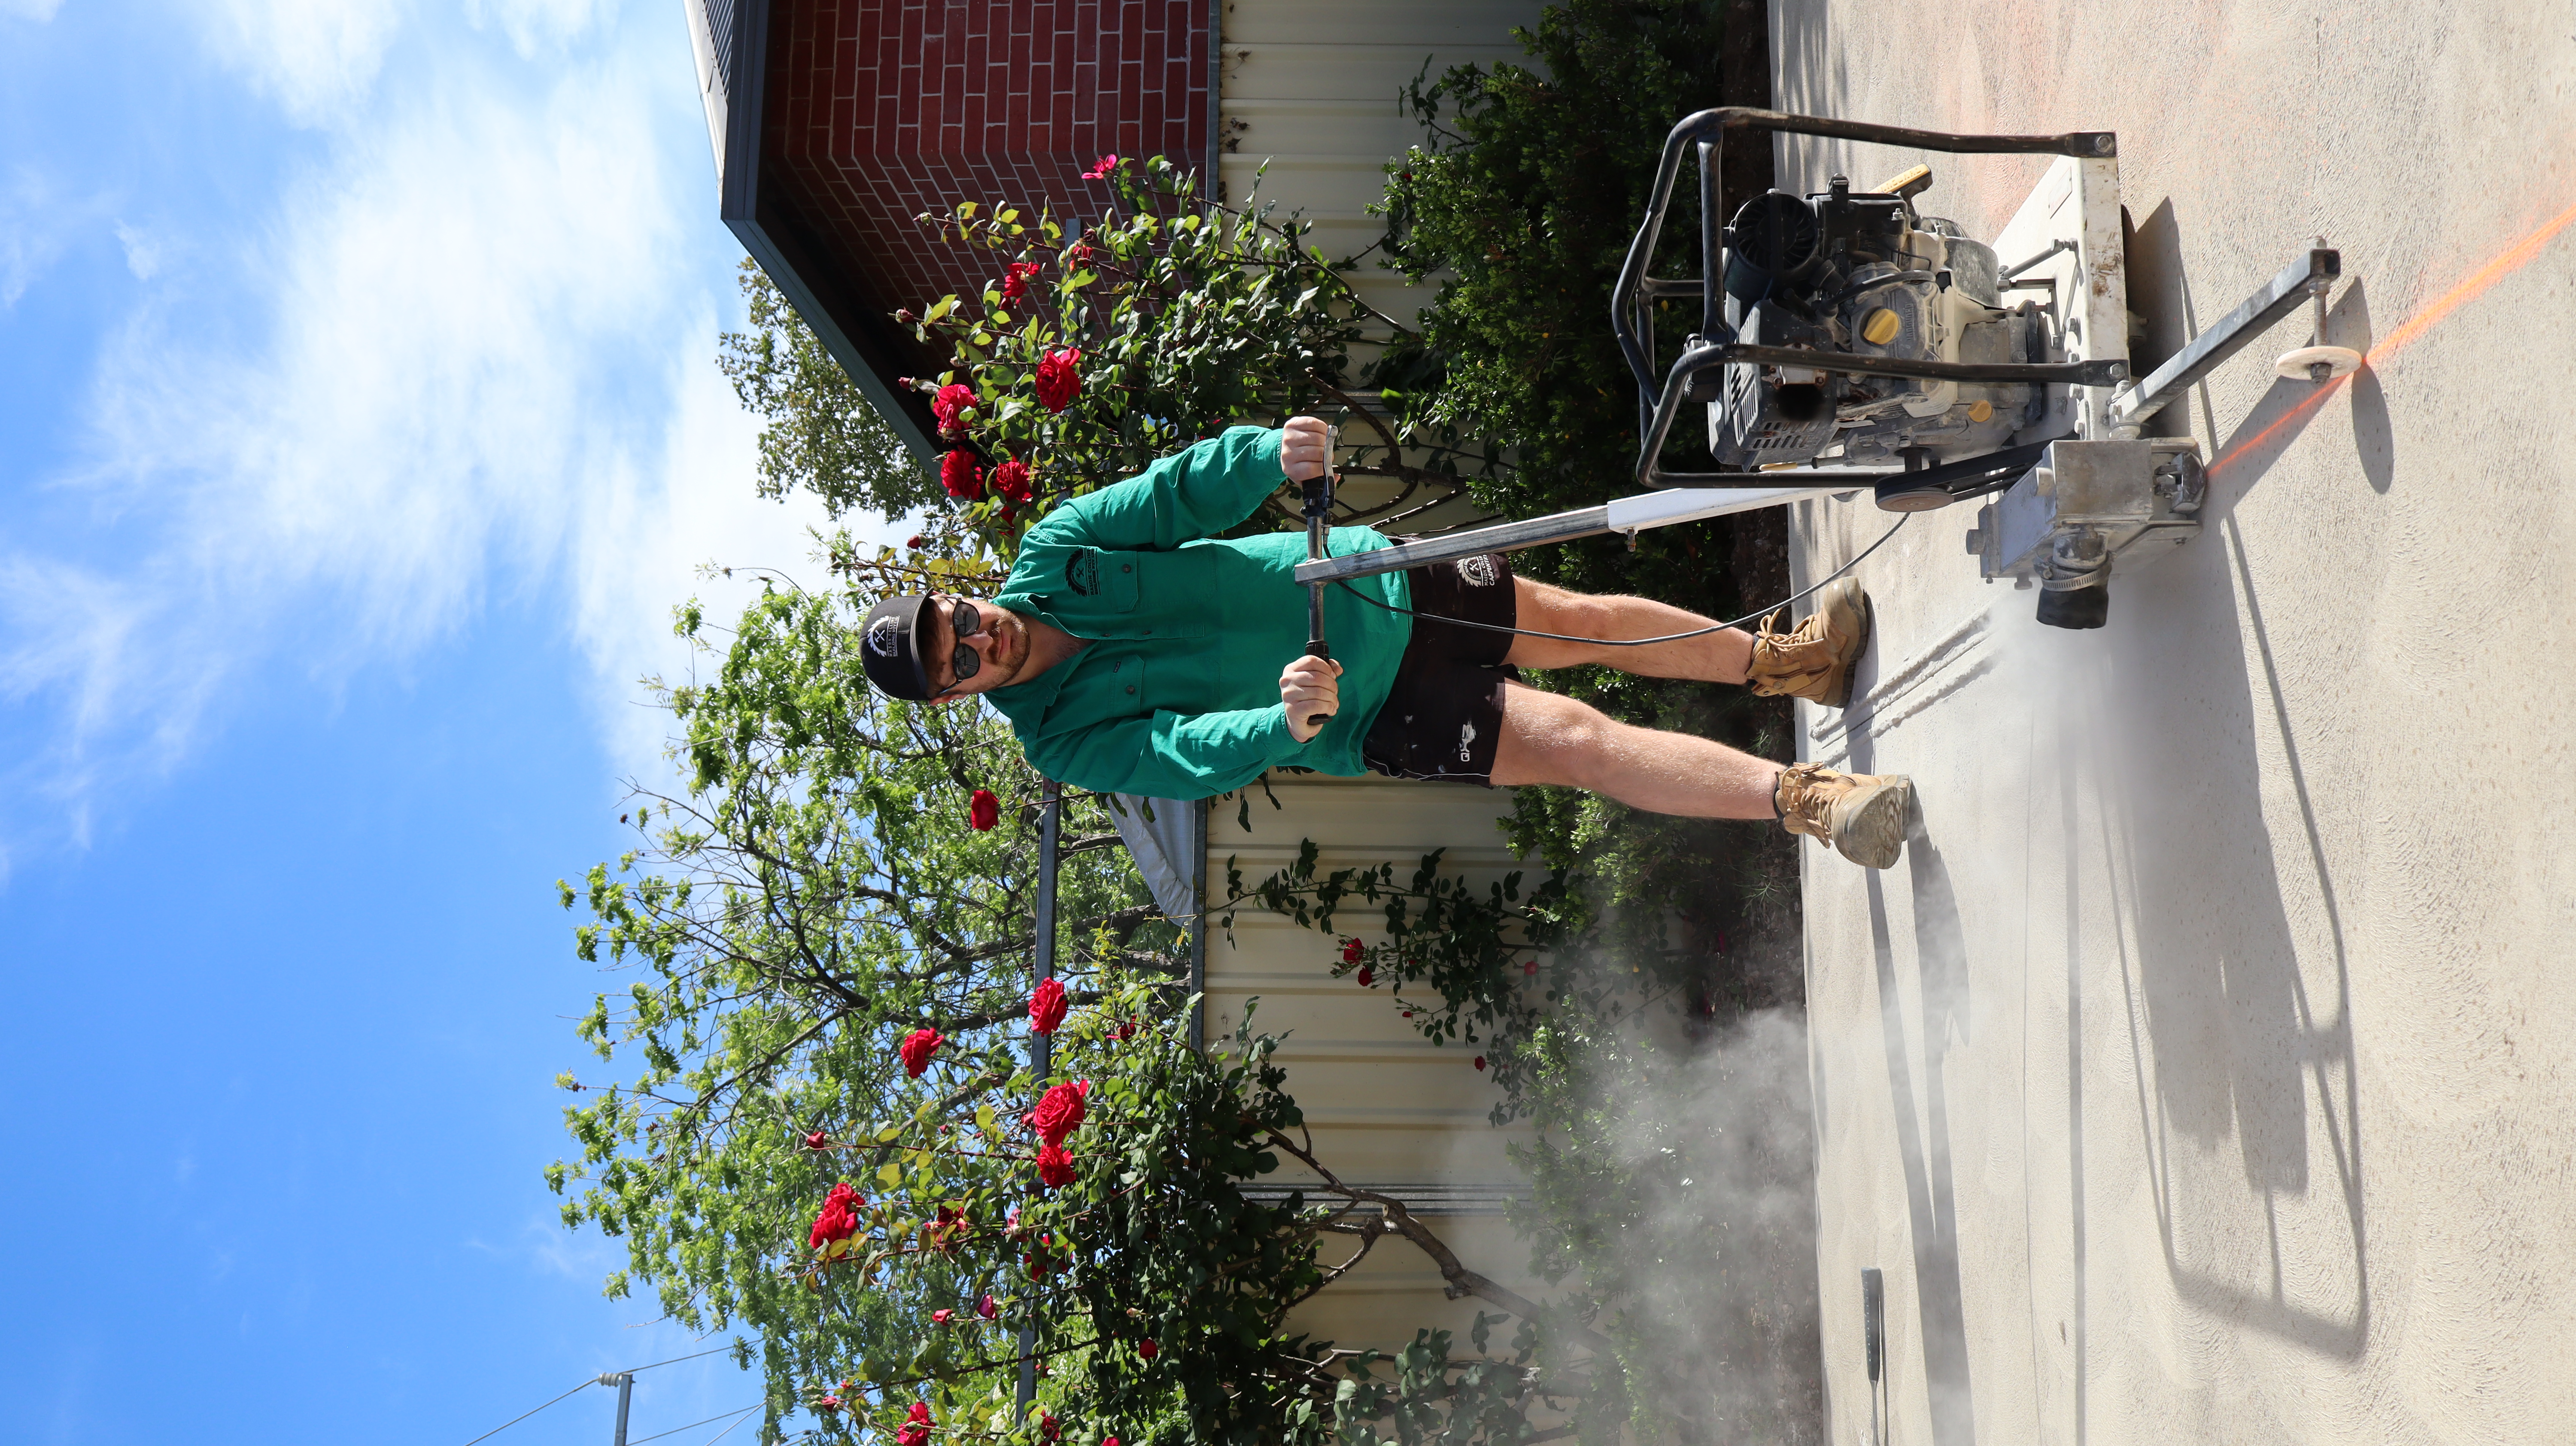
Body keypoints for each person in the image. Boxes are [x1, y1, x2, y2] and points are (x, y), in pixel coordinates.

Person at [859, 418, 1913, 868]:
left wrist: (1264, 455)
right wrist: (1277, 721)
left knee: (1585, 622)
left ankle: (1789, 662)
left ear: (955, 596)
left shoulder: (1053, 552)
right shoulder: (1058, 738)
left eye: (958, 619)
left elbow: (1172, 494)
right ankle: (1810, 799)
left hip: (1374, 578)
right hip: (1368, 712)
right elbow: (1175, 755)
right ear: (954, 696)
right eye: (958, 662)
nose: (978, 639)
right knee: (1580, 742)